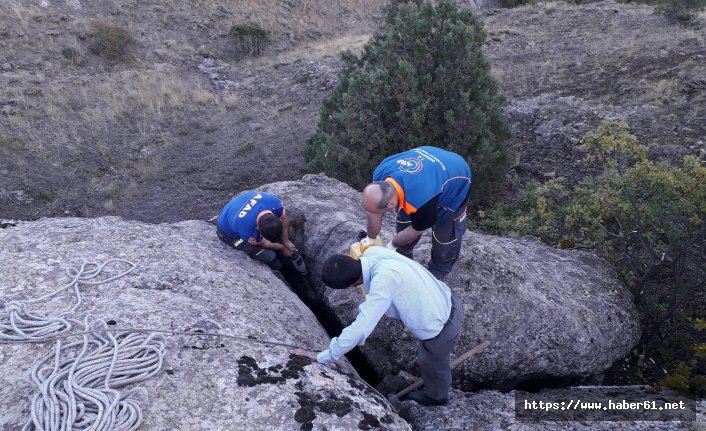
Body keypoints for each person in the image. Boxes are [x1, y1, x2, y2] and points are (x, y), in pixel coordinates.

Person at [291, 247, 463, 406]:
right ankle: (433, 386)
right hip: (448, 297)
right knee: (428, 358)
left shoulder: (382, 283)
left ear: (351, 285)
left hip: (442, 329)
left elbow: (360, 329)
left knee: (432, 362)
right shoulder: (373, 252)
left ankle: (436, 396)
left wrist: (324, 356)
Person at [361, 146, 472, 280]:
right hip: (429, 166)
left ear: (390, 203)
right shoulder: (380, 173)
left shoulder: (423, 199)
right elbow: (375, 213)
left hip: (456, 176)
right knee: (405, 218)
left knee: (444, 237)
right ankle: (404, 253)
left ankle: (438, 271)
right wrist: (370, 239)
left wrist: (392, 245)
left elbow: (417, 229)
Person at [216, 191, 306, 274]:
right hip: (229, 234)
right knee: (269, 256)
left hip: (236, 212)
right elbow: (262, 243)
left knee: (276, 243)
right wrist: (282, 248)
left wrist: (286, 241)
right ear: (257, 228)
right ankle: (275, 264)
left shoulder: (275, 204)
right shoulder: (247, 228)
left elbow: (283, 217)